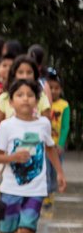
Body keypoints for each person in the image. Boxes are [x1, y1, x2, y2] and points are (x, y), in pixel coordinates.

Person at [0, 78, 66, 233]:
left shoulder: (43, 124)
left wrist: (59, 173)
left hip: (36, 189)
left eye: (30, 95)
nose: (25, 99)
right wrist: (13, 157)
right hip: (10, 189)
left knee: (26, 231)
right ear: (11, 101)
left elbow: (50, 148)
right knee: (6, 231)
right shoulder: (6, 126)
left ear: (37, 101)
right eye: (20, 95)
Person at [46, 68, 70, 196]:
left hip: (57, 144)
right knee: (45, 168)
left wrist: (61, 143)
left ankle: (53, 191)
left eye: (57, 88)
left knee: (55, 168)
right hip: (46, 143)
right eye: (51, 87)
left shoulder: (64, 105)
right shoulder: (44, 103)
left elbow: (65, 127)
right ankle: (46, 191)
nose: (54, 91)